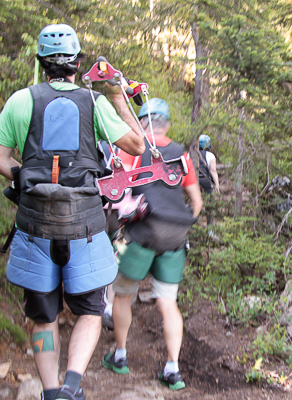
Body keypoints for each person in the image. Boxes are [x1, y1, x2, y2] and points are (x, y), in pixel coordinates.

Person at [0, 24, 145, 400]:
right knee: (90, 310)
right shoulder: (94, 103)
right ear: (78, 63)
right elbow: (137, 145)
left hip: (34, 224)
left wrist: (26, 178)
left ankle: (51, 391)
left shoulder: (21, 100)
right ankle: (73, 386)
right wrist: (118, 95)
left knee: (42, 315)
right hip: (85, 225)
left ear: (42, 63)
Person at [102, 98, 202, 391]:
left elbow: (115, 194)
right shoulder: (182, 155)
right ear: (167, 124)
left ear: (140, 123)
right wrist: (180, 224)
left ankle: (120, 355)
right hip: (175, 237)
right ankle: (173, 369)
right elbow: (196, 204)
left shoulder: (131, 150)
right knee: (168, 303)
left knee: (122, 295)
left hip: (140, 234)